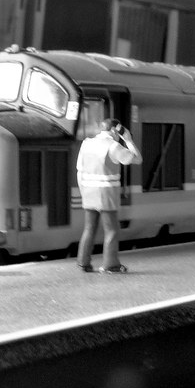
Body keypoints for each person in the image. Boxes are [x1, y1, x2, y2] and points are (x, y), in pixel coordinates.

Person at [76, 117, 143, 273]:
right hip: (106, 193)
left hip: (88, 191)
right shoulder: (113, 147)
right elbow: (138, 159)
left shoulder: (86, 143)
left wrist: (83, 191)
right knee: (111, 230)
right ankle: (110, 264)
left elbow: (79, 169)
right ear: (115, 130)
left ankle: (83, 262)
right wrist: (128, 140)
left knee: (89, 228)